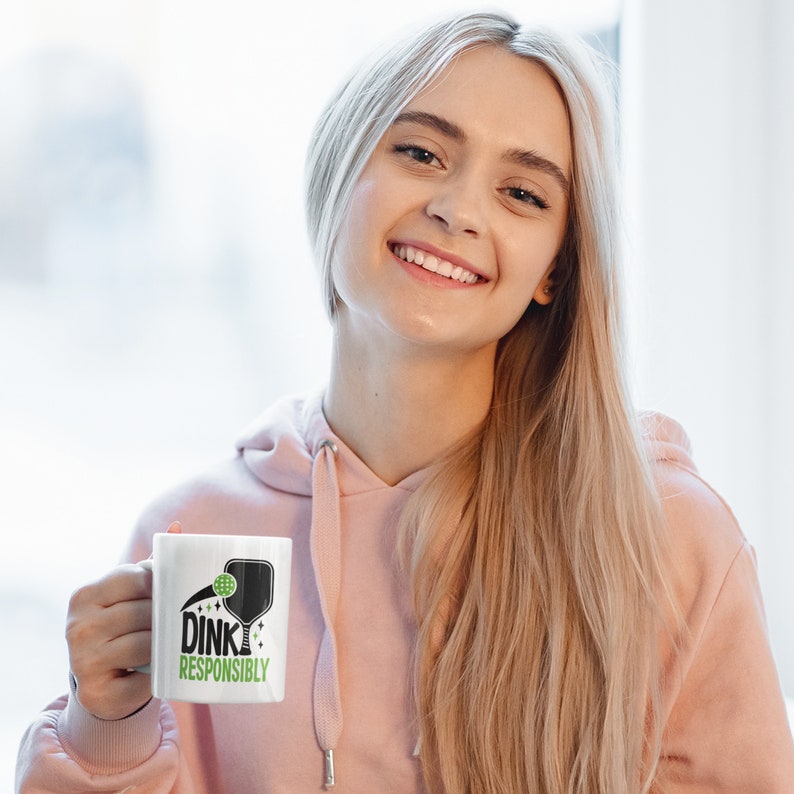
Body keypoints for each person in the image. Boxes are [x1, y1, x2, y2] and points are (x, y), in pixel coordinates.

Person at [16, 10, 794, 793]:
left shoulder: (666, 539)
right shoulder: (195, 534)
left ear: (555, 270)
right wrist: (106, 729)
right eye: (421, 152)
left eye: (522, 193)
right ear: (339, 171)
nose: (459, 209)